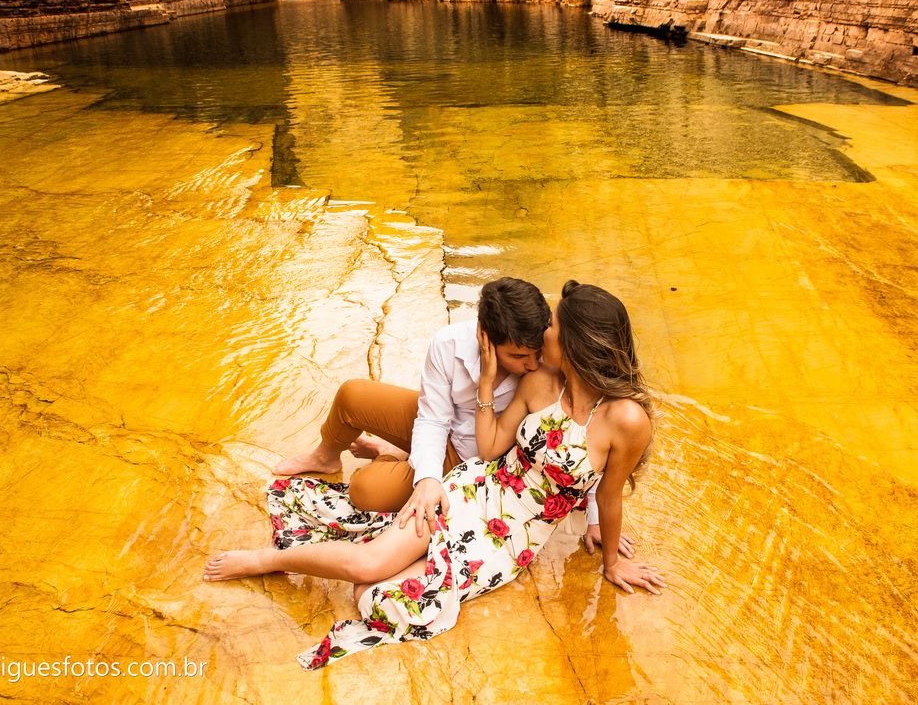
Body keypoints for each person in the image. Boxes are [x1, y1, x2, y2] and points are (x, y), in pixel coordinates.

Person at [203, 281, 666, 668]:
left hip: (514, 535)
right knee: (368, 558)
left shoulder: (626, 420)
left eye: (554, 328)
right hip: (476, 486)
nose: (546, 333)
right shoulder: (541, 379)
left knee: (382, 596)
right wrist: (485, 385)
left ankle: (386, 466)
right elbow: (486, 448)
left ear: (576, 344)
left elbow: (610, 491)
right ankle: (266, 560)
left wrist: (609, 553)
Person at [269, 276, 620, 553]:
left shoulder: (547, 361)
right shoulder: (448, 344)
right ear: (485, 336)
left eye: (536, 353)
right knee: (352, 395)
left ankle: (396, 456)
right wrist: (426, 478)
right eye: (517, 357)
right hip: (442, 428)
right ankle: (326, 456)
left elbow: (586, 439)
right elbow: (433, 419)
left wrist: (594, 518)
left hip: (473, 461)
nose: (532, 365)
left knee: (362, 489)